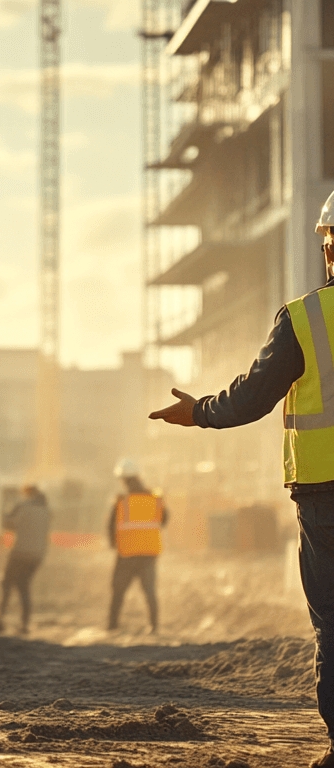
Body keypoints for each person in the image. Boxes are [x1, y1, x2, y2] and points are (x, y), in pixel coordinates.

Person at [149, 190, 334, 768]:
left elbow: (253, 398)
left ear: (331, 247)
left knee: (333, 616)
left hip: (326, 495)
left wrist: (199, 409)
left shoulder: (306, 318)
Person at [106, 458, 168, 634]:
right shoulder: (155, 498)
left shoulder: (121, 501)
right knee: (150, 592)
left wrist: (114, 544)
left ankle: (112, 626)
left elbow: (111, 526)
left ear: (124, 480)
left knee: (118, 592)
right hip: (149, 552)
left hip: (126, 553)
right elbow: (163, 520)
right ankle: (154, 626)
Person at [0, 484, 51, 635]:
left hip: (20, 552)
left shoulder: (22, 507)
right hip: (37, 555)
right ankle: (24, 623)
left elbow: (7, 524)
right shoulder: (46, 510)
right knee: (24, 586)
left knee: (6, 583)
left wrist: (5, 506)